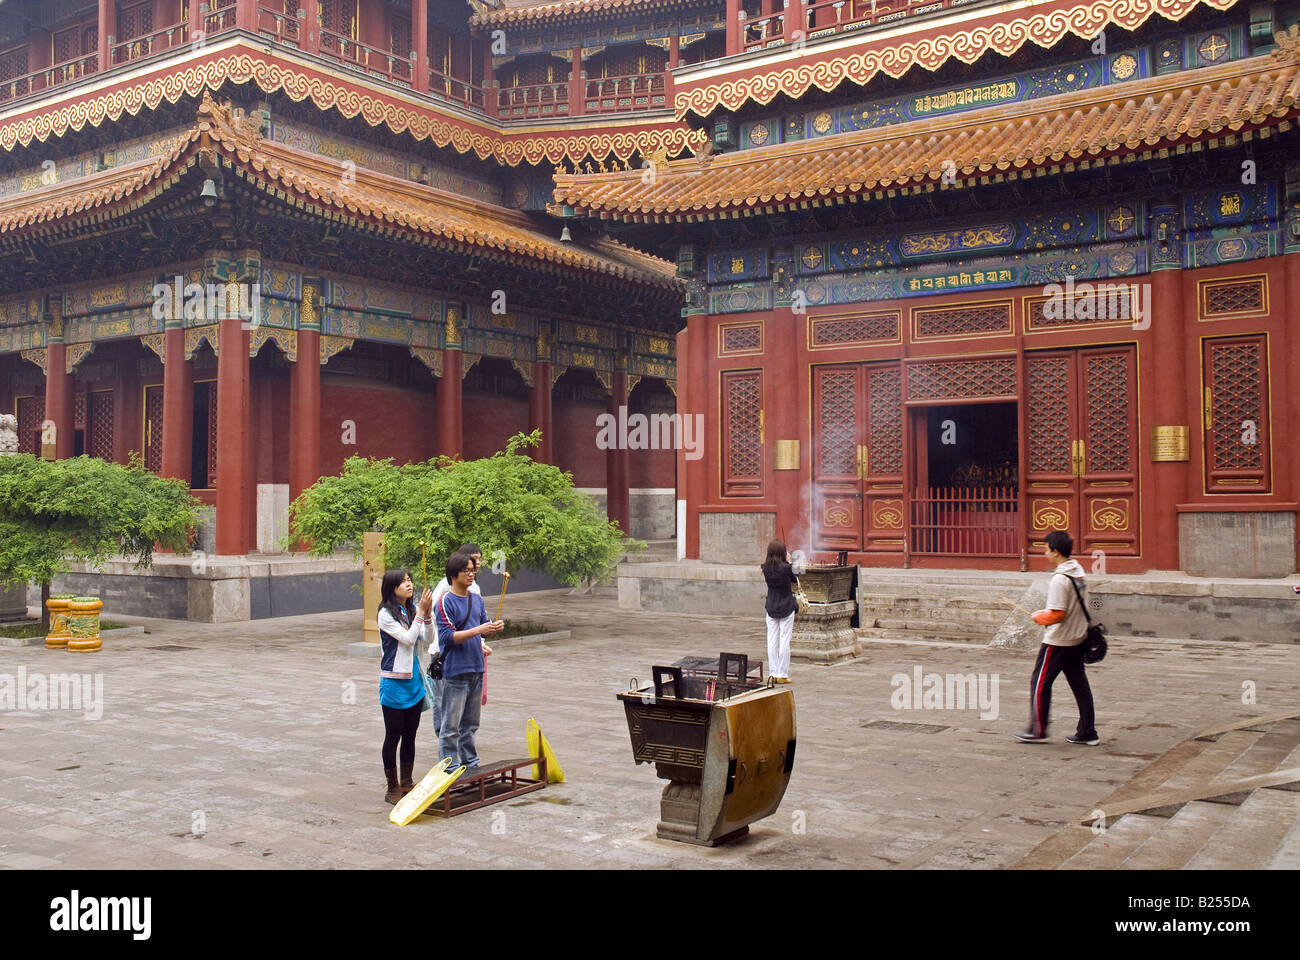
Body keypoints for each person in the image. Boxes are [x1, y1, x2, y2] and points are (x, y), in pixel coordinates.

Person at [1016, 530, 1099, 745]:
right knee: (1080, 685)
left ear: (1055, 551)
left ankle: (1038, 730)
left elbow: (1057, 614)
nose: (1045, 553)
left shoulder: (1060, 580)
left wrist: (1039, 617)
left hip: (1059, 640)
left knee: (1040, 682)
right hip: (1077, 638)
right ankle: (1087, 731)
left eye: (1046, 549)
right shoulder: (1078, 571)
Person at [435, 552, 504, 770]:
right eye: (466, 570)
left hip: (476, 666)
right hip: (455, 670)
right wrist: (478, 630)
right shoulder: (446, 601)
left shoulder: (476, 599)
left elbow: (483, 625)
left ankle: (470, 762)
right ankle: (450, 766)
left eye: (473, 570)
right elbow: (447, 637)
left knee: (471, 724)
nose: (471, 574)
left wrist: (492, 629)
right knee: (451, 725)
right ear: (454, 574)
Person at [377, 569, 434, 803]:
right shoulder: (385, 614)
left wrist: (426, 616)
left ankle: (407, 782)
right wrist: (421, 613)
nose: (408, 585)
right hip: (394, 682)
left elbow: (427, 639)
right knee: (393, 735)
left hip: (414, 682)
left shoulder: (410, 610)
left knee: (410, 734)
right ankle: (392, 787)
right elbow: (408, 638)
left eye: (410, 580)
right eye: (403, 582)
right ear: (392, 588)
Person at [428, 544, 493, 733]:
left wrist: (482, 639)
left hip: (471, 658)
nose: (476, 565)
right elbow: (440, 621)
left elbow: (476, 622)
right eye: (471, 562)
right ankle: (445, 747)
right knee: (446, 708)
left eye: (478, 560)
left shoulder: (475, 591)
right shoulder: (446, 592)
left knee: (469, 718)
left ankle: (468, 757)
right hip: (445, 653)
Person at [760, 539, 797, 683]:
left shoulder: (765, 567)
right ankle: (782, 673)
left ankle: (773, 672)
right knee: (784, 640)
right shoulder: (786, 568)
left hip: (771, 606)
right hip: (786, 606)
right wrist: (789, 562)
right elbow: (795, 579)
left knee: (772, 640)